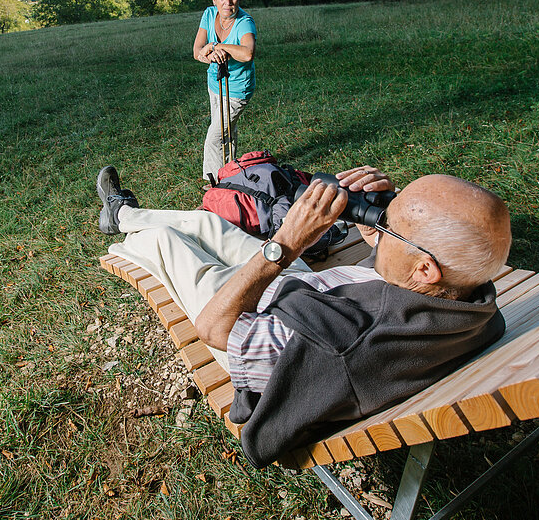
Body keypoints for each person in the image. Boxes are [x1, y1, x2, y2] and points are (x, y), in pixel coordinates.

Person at [95, 164, 510, 467]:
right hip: (315, 299)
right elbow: (396, 297)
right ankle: (123, 216)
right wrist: (381, 240)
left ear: (425, 268)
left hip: (266, 328)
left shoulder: (342, 345)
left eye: (390, 224)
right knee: (210, 225)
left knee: (169, 243)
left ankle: (130, 225)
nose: (381, 221)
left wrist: (287, 242)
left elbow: (214, 327)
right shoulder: (472, 299)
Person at [192, 0, 256, 180]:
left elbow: (247, 53)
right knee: (227, 132)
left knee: (214, 136)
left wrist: (218, 46)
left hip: (238, 89)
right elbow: (197, 51)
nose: (228, 2)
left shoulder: (245, 22)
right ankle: (231, 174)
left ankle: (215, 182)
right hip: (215, 83)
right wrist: (211, 54)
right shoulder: (209, 14)